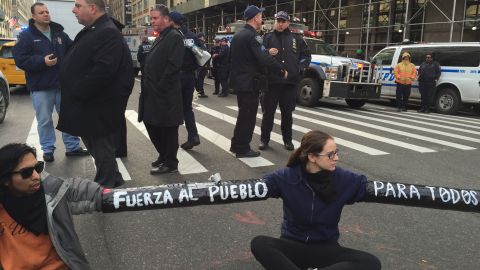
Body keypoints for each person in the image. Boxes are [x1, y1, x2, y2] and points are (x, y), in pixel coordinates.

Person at [251, 130, 382, 270]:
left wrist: (408, 193)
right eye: (331, 154)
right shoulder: (287, 176)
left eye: (336, 152)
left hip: (326, 247)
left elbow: (375, 189)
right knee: (260, 243)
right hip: (293, 245)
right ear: (312, 157)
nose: (336, 158)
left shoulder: (344, 179)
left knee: (370, 262)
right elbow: (257, 187)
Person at [58, 0, 134, 188]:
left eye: (78, 5)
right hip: (90, 102)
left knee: (101, 146)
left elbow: (104, 70)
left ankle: (105, 188)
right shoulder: (96, 29)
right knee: (96, 145)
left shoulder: (106, 31)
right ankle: (113, 177)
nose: (73, 10)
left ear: (92, 8)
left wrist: (78, 89)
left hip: (97, 104)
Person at [0, 143, 103, 270]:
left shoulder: (53, 192)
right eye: (26, 173)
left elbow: (88, 193)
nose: (36, 177)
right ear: (5, 179)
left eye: (38, 168)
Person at [12, 2, 89, 162]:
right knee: (45, 120)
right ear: (33, 17)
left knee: (68, 116)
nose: (46, 14)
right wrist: (42, 62)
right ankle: (48, 149)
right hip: (41, 87)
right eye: (41, 13)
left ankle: (72, 147)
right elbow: (20, 59)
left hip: (62, 85)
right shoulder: (26, 36)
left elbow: (73, 51)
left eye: (47, 12)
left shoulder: (59, 33)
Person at [229, 5, 287, 158]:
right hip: (250, 83)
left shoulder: (238, 35)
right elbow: (263, 58)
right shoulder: (253, 36)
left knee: (243, 115)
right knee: (248, 117)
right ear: (255, 18)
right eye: (261, 16)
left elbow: (243, 58)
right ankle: (242, 148)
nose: (262, 19)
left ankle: (236, 144)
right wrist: (281, 70)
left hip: (241, 82)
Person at [139, 5, 184, 174]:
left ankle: (170, 162)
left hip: (165, 94)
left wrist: (160, 87)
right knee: (152, 124)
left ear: (166, 19)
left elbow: (173, 67)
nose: (152, 21)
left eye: (155, 18)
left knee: (168, 129)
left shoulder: (174, 37)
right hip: (153, 93)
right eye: (151, 18)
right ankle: (164, 155)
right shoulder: (161, 36)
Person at [260, 11, 311, 151]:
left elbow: (306, 56)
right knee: (268, 114)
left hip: (290, 84)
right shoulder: (267, 37)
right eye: (278, 21)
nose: (280, 24)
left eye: (283, 21)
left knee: (287, 114)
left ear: (288, 23)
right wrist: (267, 52)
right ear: (275, 22)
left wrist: (300, 69)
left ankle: (287, 140)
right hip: (271, 83)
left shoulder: (297, 38)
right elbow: (259, 54)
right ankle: (264, 140)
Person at [170, 11, 201, 150]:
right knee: (187, 108)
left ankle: (171, 143)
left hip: (176, 77)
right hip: (190, 76)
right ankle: (193, 136)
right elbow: (203, 56)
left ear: (172, 22)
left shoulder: (172, 36)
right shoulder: (192, 36)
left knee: (173, 108)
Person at [195, 32, 208, 98]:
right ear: (201, 37)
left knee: (198, 78)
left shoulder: (196, 43)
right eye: (203, 36)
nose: (204, 38)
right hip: (202, 64)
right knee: (200, 78)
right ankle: (200, 91)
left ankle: (198, 91)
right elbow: (205, 54)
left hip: (198, 64)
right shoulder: (201, 43)